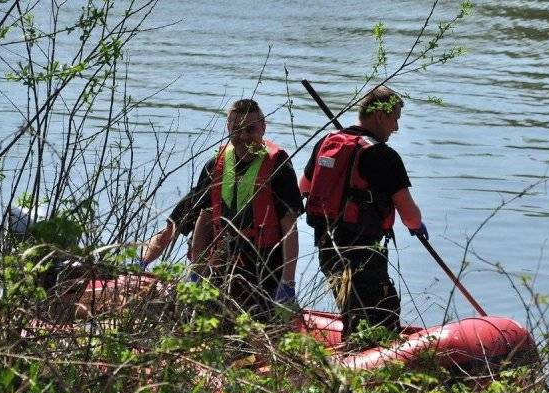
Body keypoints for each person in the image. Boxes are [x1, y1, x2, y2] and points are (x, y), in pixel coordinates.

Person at [142, 99, 303, 319]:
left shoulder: (278, 168)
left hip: (265, 271)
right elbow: (189, 220)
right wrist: (191, 272)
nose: (244, 136)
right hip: (222, 266)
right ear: (228, 129)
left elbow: (290, 229)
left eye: (250, 129)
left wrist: (287, 283)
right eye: (236, 129)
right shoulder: (215, 166)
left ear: (263, 127)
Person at [300, 85, 428, 336]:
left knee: (352, 310)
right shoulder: (383, 155)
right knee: (381, 318)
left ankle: (351, 360)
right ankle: (364, 367)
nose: (396, 128)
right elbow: (410, 215)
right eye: (395, 119)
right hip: (364, 253)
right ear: (380, 116)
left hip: (328, 249)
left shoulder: (328, 142)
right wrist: (417, 227)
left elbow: (304, 187)